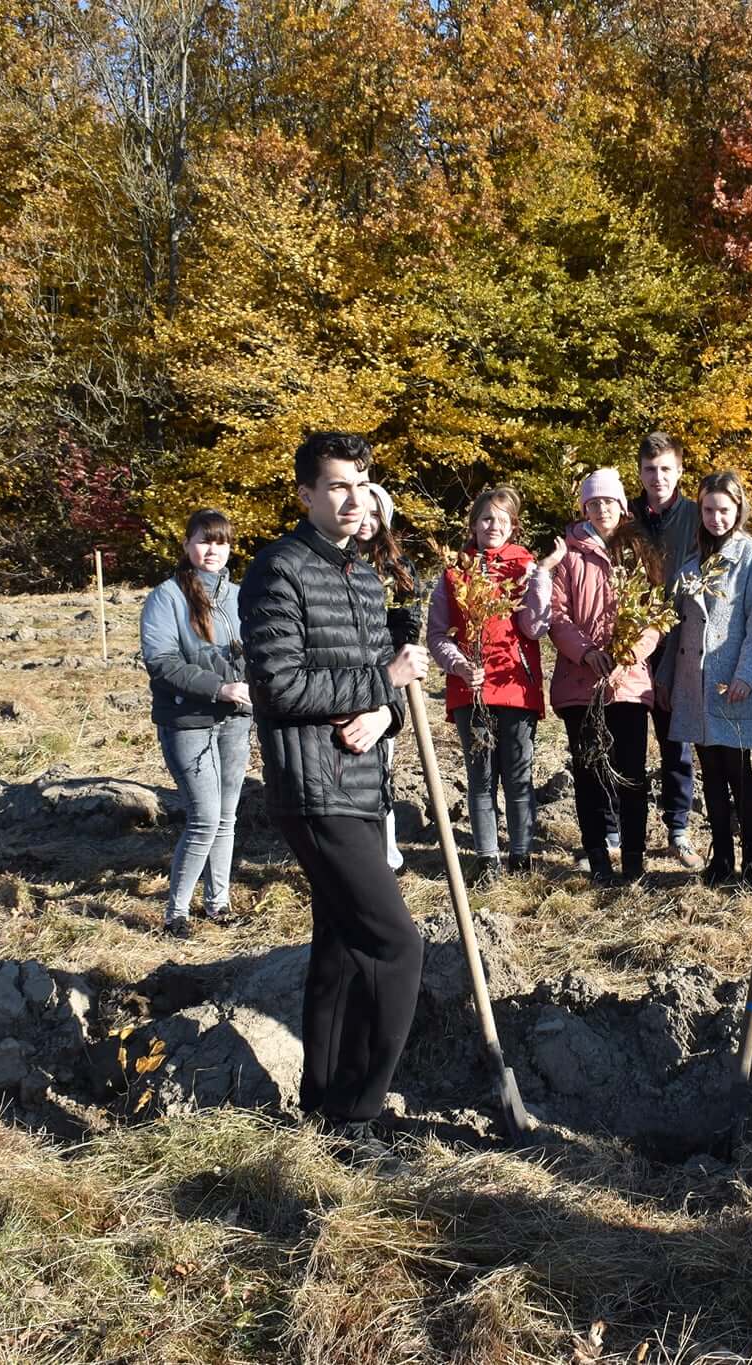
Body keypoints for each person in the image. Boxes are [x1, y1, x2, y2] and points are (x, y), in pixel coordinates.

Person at [240, 431, 432, 1136]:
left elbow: (386, 696)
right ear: (306, 495)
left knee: (344, 948)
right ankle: (358, 1110)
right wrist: (382, 682)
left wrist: (385, 713)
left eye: (360, 484)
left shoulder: (362, 573)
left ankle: (324, 1108)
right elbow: (279, 684)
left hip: (361, 782)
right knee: (396, 944)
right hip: (312, 787)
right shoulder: (278, 571)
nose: (352, 498)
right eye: (337, 486)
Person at [426, 485, 565, 884]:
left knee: (519, 776)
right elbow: (438, 635)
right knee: (481, 778)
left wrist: (542, 574)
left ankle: (521, 854)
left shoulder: (523, 567)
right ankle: (487, 858)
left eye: (502, 520)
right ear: (473, 524)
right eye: (487, 518)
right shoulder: (454, 573)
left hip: (515, 687)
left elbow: (535, 626)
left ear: (513, 527)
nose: (494, 526)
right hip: (471, 690)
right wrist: (459, 665)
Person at [139, 508, 252, 939]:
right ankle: (176, 913)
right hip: (188, 719)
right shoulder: (166, 597)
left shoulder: (240, 596)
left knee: (227, 816)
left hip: (236, 720)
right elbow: (162, 662)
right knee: (204, 817)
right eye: (204, 540)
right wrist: (219, 687)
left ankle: (217, 904)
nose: (212, 550)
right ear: (187, 545)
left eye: (220, 542)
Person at [659, 471, 752, 888]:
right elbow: (677, 628)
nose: (716, 518)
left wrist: (747, 674)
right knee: (710, 772)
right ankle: (722, 856)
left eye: (724, 510)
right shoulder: (692, 562)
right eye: (708, 509)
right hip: (694, 684)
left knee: (739, 772)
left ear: (738, 509)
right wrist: (668, 678)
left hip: (730, 683)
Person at [552, 467, 664, 885]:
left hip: (629, 682)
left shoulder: (638, 550)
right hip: (581, 683)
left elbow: (655, 614)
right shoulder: (567, 553)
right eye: (594, 503)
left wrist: (631, 650)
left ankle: (634, 858)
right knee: (589, 772)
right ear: (584, 507)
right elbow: (556, 615)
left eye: (609, 502)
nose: (602, 509)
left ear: (622, 505)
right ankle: (597, 854)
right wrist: (586, 652)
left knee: (632, 772)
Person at [632, 432, 705, 871]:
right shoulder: (626, 518)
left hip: (677, 644)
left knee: (676, 742)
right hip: (629, 644)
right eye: (649, 469)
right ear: (639, 473)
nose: (657, 477)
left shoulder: (697, 517)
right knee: (628, 743)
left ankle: (678, 828)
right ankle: (624, 831)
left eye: (665, 469)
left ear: (679, 471)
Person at [355, 481, 418, 872]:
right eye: (363, 510)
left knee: (382, 768)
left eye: (376, 513)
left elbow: (407, 624)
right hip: (339, 674)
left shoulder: (397, 568)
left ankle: (387, 855)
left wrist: (393, 670)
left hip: (382, 680)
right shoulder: (326, 559)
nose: (367, 520)